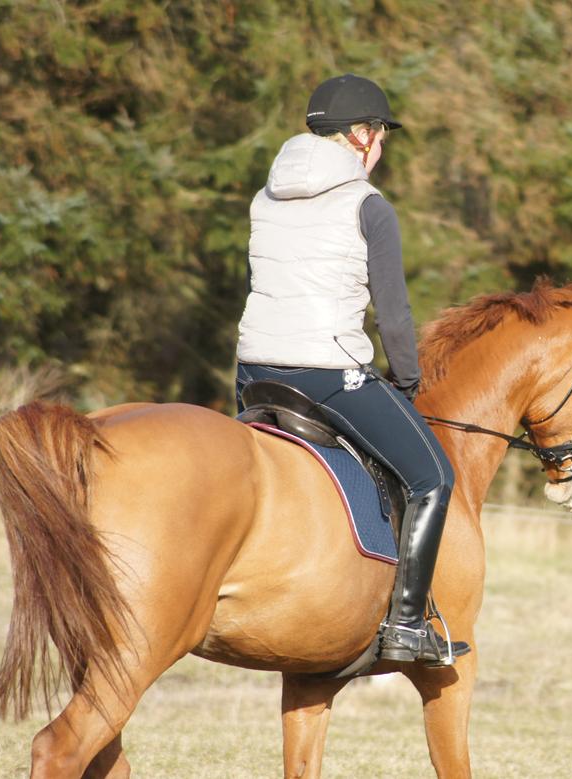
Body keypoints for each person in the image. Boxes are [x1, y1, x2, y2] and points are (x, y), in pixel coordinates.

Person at [235, 74, 469, 666]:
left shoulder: (265, 198)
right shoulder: (369, 205)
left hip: (254, 370)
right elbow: (393, 311)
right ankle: (408, 626)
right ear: (362, 137)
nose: (383, 148)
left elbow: (262, 285)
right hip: (327, 372)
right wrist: (408, 382)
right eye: (382, 136)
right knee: (434, 475)